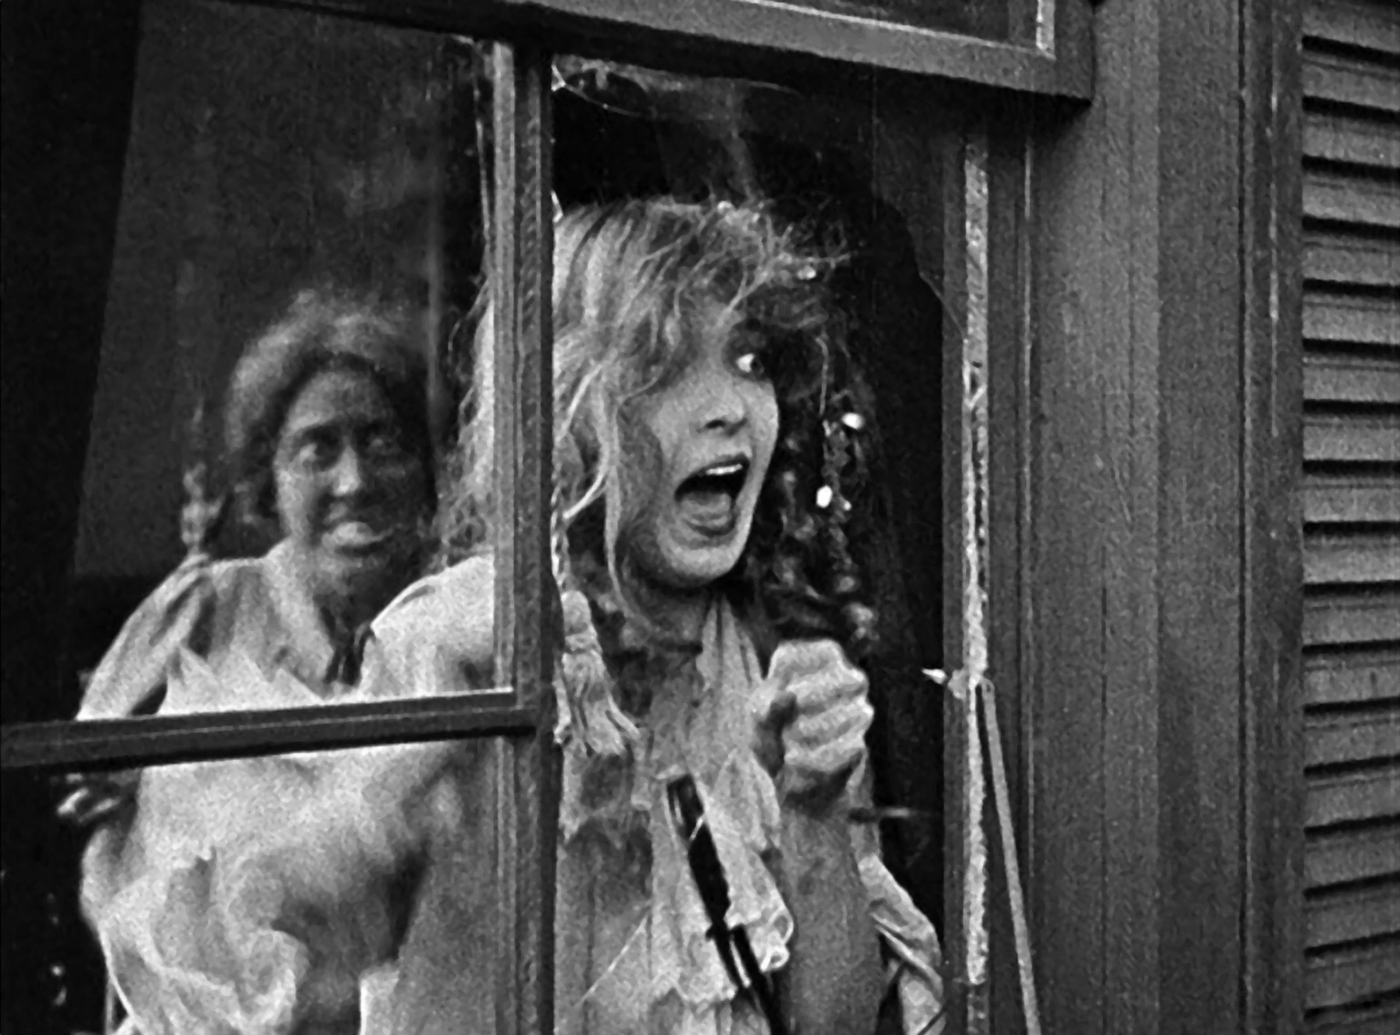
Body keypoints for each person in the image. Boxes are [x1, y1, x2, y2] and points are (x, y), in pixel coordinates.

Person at [376, 198, 945, 1034]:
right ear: (569, 407)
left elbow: (835, 1027)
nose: (731, 407)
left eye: (750, 360)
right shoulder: (464, 642)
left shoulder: (774, 654)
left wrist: (815, 808)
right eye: (667, 366)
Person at [62, 288, 457, 1035]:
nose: (354, 482)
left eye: (383, 443)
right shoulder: (206, 613)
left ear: (426, 470)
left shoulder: (456, 627)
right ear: (268, 476)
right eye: (317, 450)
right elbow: (85, 809)